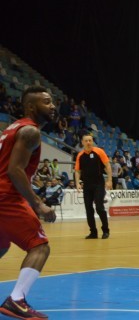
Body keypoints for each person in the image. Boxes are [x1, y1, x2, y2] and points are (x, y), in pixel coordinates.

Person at [0, 86, 57, 319]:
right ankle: (16, 300)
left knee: (1, 246)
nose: (53, 106)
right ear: (31, 106)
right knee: (39, 246)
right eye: (46, 102)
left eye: (52, 101)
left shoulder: (12, 128)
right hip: (7, 197)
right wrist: (38, 204)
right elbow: (15, 170)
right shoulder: (30, 131)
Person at [75, 133, 112, 239]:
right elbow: (77, 171)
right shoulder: (80, 155)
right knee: (88, 209)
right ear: (82, 142)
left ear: (92, 141)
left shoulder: (99, 152)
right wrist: (77, 183)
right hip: (87, 185)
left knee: (99, 207)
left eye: (90, 140)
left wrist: (109, 180)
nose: (88, 142)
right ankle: (93, 232)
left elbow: (107, 166)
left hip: (99, 184)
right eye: (86, 141)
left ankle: (105, 230)